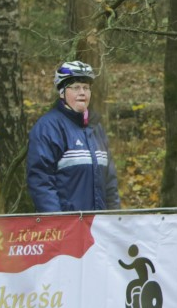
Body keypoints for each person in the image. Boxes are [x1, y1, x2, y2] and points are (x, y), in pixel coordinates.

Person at [26, 60, 120, 213]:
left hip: (100, 229)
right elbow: (41, 182)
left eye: (86, 88)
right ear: (62, 92)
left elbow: (110, 183)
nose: (82, 92)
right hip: (66, 229)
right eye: (76, 87)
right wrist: (59, 224)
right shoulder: (48, 127)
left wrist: (115, 220)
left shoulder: (96, 127)